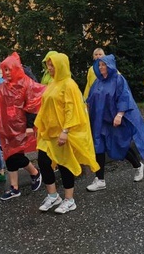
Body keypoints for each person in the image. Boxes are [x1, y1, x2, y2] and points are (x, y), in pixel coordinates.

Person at [35, 53, 99, 214]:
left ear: (61, 66)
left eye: (52, 66)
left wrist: (66, 131)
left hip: (62, 133)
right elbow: (45, 106)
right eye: (48, 65)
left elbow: (72, 109)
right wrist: (39, 125)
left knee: (64, 164)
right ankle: (53, 195)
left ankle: (69, 199)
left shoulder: (69, 85)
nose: (49, 69)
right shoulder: (53, 83)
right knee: (43, 161)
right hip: (48, 133)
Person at [85, 54, 144, 191]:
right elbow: (91, 98)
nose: (102, 67)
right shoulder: (97, 82)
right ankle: (100, 179)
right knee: (99, 147)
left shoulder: (118, 80)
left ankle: (138, 165)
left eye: (104, 65)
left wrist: (120, 115)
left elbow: (124, 97)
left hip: (114, 121)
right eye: (100, 65)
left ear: (110, 66)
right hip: (99, 122)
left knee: (121, 146)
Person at [0, 52, 45, 200]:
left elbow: (32, 104)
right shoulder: (2, 87)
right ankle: (14, 188)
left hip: (20, 127)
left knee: (16, 155)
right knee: (8, 156)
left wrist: (29, 125)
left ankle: (35, 173)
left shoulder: (25, 83)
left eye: (9, 69)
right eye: (5, 69)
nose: (6, 73)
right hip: (5, 127)